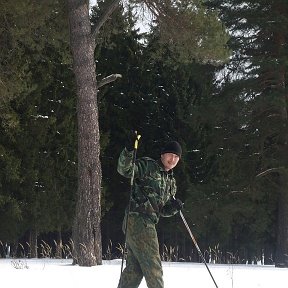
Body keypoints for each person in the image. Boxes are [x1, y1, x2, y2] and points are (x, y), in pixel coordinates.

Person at [117, 137, 183, 288]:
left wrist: (174, 207)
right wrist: (128, 151)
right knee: (154, 267)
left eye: (176, 157)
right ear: (162, 155)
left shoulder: (171, 182)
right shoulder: (149, 166)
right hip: (138, 219)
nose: (173, 159)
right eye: (170, 154)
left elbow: (163, 211)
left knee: (135, 270)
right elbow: (125, 170)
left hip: (145, 223)